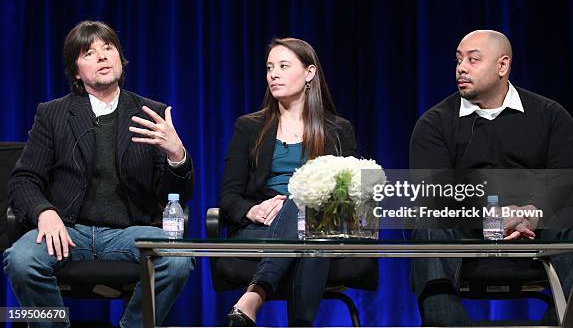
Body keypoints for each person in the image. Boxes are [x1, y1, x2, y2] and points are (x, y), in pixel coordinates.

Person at [3, 20, 195, 328]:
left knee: (177, 258)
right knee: (21, 260)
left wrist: (177, 155)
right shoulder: (53, 114)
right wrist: (44, 212)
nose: (103, 56)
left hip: (129, 231)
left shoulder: (149, 113)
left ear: (121, 58)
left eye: (108, 48)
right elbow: (24, 179)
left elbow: (174, 196)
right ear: (77, 71)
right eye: (89, 53)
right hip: (68, 230)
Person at [409, 30, 573, 326]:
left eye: (473, 60)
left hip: (536, 232)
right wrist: (491, 218)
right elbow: (433, 193)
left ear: (502, 66)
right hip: (467, 234)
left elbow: (570, 178)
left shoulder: (549, 115)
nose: (461, 67)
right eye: (459, 60)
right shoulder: (435, 123)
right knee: (428, 224)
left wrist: (532, 213)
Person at [219, 38, 357, 326]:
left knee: (306, 205)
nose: (274, 74)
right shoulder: (248, 128)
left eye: (283, 66)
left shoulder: (338, 131)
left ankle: (256, 293)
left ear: (309, 73)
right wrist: (251, 211)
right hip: (262, 230)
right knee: (311, 235)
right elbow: (229, 197)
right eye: (270, 68)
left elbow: (353, 199)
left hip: (324, 228)